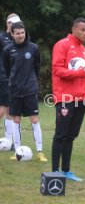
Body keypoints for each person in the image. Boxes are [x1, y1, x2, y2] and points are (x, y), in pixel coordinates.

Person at [51, 18, 85, 181]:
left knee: (71, 136)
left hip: (81, 99)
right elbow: (57, 70)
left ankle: (66, 171)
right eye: (82, 30)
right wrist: (77, 74)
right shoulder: (62, 45)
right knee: (61, 134)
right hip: (65, 98)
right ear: (73, 29)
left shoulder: (84, 50)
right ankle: (54, 172)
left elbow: (84, 75)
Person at [3, 21, 47, 161]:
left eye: (22, 32)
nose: (21, 35)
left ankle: (40, 152)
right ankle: (17, 151)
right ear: (12, 34)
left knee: (34, 119)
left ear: (25, 32)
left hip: (30, 90)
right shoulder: (7, 50)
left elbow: (37, 67)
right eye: (17, 33)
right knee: (16, 120)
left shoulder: (33, 48)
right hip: (15, 90)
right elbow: (7, 69)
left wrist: (29, 81)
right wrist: (15, 81)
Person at [0, 13, 21, 147]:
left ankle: (9, 141)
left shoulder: (20, 37)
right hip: (3, 77)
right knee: (2, 110)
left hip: (14, 79)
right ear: (7, 24)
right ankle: (9, 141)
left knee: (9, 111)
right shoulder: (2, 37)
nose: (13, 25)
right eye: (11, 23)